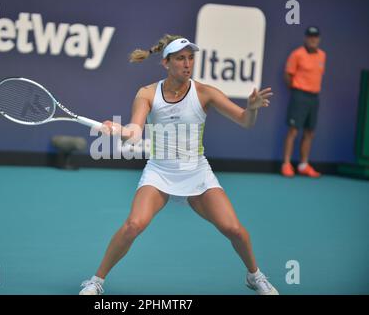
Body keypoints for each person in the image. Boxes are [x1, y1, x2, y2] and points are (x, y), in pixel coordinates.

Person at [79, 34, 278, 295]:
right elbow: (135, 130)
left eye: (191, 58)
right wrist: (117, 129)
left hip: (197, 173)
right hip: (160, 172)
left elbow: (245, 121)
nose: (187, 64)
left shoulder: (205, 93)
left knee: (235, 230)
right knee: (134, 225)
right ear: (166, 63)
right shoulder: (148, 93)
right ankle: (96, 281)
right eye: (181, 58)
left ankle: (255, 276)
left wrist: (251, 109)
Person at [281, 26, 326, 178]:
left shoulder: (322, 55)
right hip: (299, 96)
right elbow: (288, 75)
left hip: (314, 97)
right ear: (306, 38)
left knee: (310, 132)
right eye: (310, 36)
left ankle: (303, 165)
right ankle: (286, 164)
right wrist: (296, 89)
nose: (313, 39)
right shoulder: (297, 54)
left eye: (315, 36)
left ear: (318, 39)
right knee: (293, 130)